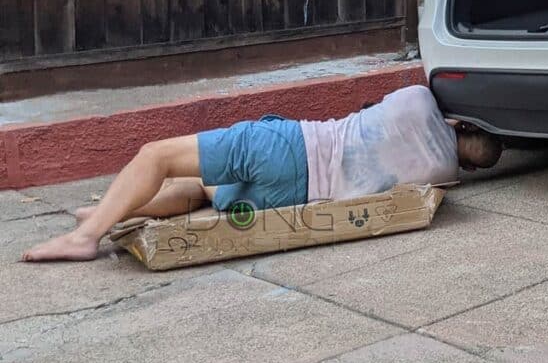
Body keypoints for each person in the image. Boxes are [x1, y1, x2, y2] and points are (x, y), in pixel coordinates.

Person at [22, 85, 503, 262]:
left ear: (458, 125)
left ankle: (87, 237)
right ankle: (109, 212)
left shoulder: (419, 100)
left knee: (155, 156)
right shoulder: (444, 175)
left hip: (290, 147)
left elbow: (368, 108)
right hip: (294, 194)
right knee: (202, 190)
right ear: (468, 163)